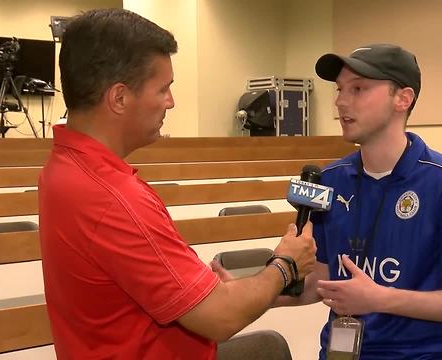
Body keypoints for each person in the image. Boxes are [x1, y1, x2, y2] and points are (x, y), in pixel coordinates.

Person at [38, 8, 316, 360]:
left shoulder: (63, 166)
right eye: (163, 89)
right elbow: (219, 317)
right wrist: (286, 264)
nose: (171, 101)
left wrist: (205, 291)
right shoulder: (112, 198)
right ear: (119, 98)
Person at [274, 44, 442, 359]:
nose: (340, 101)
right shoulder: (331, 179)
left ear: (402, 99)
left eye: (358, 89)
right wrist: (254, 292)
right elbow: (322, 280)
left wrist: (380, 299)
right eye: (340, 90)